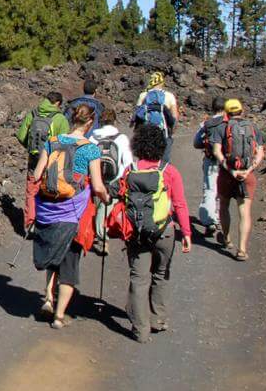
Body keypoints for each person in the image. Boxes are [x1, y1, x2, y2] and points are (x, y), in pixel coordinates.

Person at [30, 104, 109, 329]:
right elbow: (97, 185)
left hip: (47, 208)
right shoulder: (90, 149)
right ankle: (59, 316)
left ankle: (47, 297)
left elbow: (37, 175)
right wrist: (105, 198)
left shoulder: (52, 142)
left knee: (52, 252)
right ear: (90, 124)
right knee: (69, 262)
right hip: (73, 211)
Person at [119, 123, 192, 343]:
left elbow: (122, 199)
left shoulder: (130, 170)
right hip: (164, 231)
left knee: (139, 279)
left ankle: (140, 330)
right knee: (160, 274)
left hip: (137, 231)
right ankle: (158, 319)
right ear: (161, 146)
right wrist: (186, 232)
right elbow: (179, 204)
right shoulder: (169, 171)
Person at [214, 98, 266, 261]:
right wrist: (248, 170)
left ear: (227, 113)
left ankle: (227, 238)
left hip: (227, 174)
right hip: (247, 175)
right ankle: (242, 249)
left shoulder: (222, 127)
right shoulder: (253, 127)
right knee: (244, 212)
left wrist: (230, 170)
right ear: (242, 111)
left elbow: (217, 152)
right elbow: (260, 153)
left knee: (224, 205)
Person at [15, 91, 70, 229]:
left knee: (32, 190)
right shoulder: (60, 119)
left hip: (34, 159)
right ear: (58, 103)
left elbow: (21, 136)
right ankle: (47, 222)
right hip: (52, 161)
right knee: (50, 189)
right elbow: (65, 143)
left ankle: (30, 224)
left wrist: (30, 147)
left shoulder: (32, 114)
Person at [90, 106, 133, 252]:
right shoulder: (121, 138)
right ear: (114, 121)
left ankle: (99, 233)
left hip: (96, 178)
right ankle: (103, 235)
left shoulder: (93, 138)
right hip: (115, 180)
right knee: (106, 207)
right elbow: (128, 162)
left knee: (98, 206)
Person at [192, 97, 228, 229]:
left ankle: (209, 220)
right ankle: (218, 216)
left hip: (210, 161)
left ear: (213, 108)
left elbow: (196, 143)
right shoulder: (229, 123)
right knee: (221, 191)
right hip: (226, 162)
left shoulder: (206, 123)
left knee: (210, 189)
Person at [135, 71, 181, 151]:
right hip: (163, 131)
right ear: (162, 83)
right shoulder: (169, 96)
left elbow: (137, 115)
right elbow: (175, 116)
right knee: (164, 158)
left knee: (146, 157)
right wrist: (172, 131)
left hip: (147, 131)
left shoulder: (143, 95)